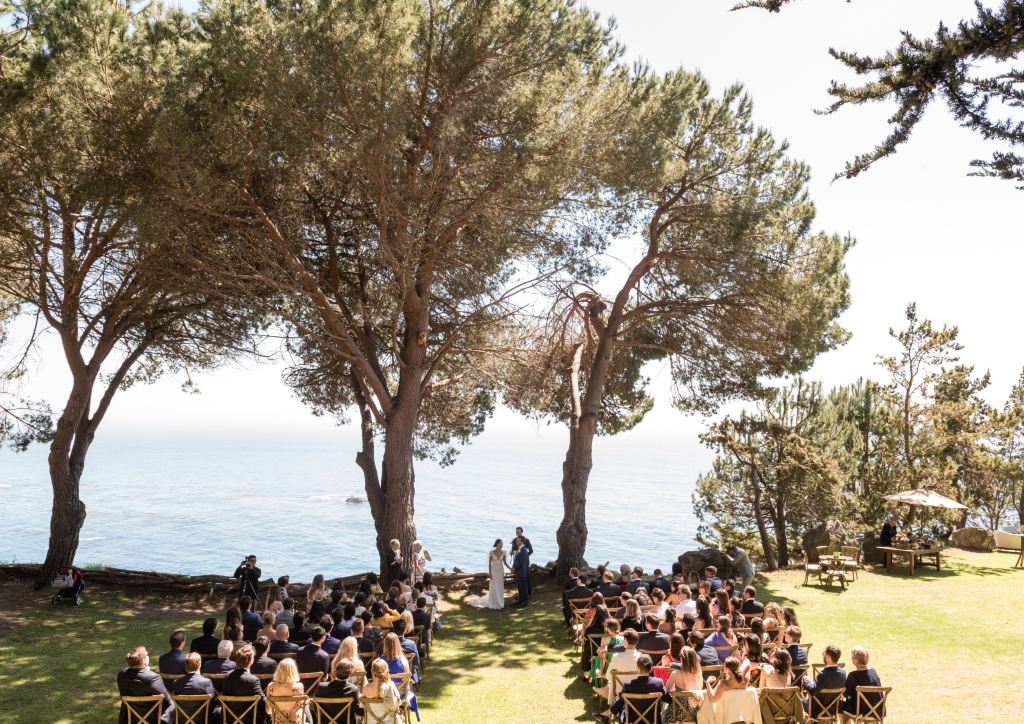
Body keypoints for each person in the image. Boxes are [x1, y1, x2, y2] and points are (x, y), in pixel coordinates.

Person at [593, 654, 666, 724]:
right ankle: (607, 714)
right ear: (651, 669)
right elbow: (668, 699)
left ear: (637, 667)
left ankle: (607, 714)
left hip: (633, 718)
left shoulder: (629, 685)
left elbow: (620, 700)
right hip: (653, 719)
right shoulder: (658, 683)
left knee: (622, 702)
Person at [117, 646, 175, 724]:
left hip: (130, 719)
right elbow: (167, 701)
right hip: (152, 720)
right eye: (147, 654)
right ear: (144, 660)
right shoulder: (152, 677)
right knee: (172, 705)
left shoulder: (122, 675)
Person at [595, 629, 642, 702]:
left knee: (611, 682)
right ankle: (605, 690)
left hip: (619, 690)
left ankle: (606, 691)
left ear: (625, 640)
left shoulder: (616, 657)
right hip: (637, 689)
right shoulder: (642, 658)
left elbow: (608, 676)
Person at [172, 653, 220, 724]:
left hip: (182, 721)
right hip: (203, 721)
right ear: (199, 665)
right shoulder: (206, 682)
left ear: (186, 666)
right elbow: (211, 706)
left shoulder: (177, 683)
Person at [468, 539, 513, 609]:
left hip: (500, 571)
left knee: (500, 586)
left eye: (502, 543)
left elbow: (505, 563)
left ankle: (499, 602)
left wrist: (510, 568)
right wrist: (490, 573)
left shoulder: (504, 552)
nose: (502, 545)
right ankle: (493, 602)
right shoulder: (491, 552)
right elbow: (489, 564)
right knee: (494, 586)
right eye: (501, 543)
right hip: (494, 571)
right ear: (497, 544)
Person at [802, 644, 846, 717]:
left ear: (828, 657)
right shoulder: (843, 673)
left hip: (817, 710)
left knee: (797, 702)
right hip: (833, 710)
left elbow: (813, 691)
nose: (823, 655)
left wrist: (805, 679)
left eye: (824, 653)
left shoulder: (823, 675)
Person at [317, 657, 364, 724]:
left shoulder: (322, 687)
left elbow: (316, 708)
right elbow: (359, 712)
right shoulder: (353, 689)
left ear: (336, 670)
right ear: (350, 673)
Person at [664, 647, 704, 723]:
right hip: (695, 712)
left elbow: (667, 689)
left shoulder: (675, 674)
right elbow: (700, 690)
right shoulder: (699, 674)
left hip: (677, 713)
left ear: (682, 659)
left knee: (665, 706)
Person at [842, 646, 883, 718]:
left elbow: (843, 695)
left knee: (839, 705)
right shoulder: (873, 671)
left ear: (855, 660)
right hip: (876, 710)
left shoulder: (853, 675)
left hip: (859, 712)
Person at [361, 658, 403, 724]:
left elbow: (364, 708)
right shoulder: (390, 687)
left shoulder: (365, 688)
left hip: (371, 722)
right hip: (390, 722)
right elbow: (397, 704)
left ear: (372, 671)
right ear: (386, 671)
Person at [262, 657, 302, 724]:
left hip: (278, 721)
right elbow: (299, 705)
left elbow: (268, 711)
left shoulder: (271, 686)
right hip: (295, 721)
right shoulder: (298, 686)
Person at [588, 618, 623, 685]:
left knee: (600, 654)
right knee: (600, 653)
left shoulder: (605, 639)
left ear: (608, 629)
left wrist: (601, 670)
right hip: (619, 665)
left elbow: (603, 657)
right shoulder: (623, 639)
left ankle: (590, 673)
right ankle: (589, 673)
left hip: (608, 666)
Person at [296, 626, 331, 690]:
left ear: (311, 635)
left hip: (301, 687)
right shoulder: (324, 655)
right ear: (323, 638)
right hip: (316, 689)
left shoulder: (300, 651)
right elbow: (324, 677)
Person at [512, 535, 531, 606]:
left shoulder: (524, 550)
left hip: (522, 571)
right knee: (519, 586)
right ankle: (521, 599)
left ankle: (525, 601)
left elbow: (521, 562)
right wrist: (513, 567)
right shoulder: (519, 549)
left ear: (522, 542)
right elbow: (516, 559)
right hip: (518, 571)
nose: (516, 541)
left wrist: (515, 568)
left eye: (518, 541)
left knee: (523, 586)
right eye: (516, 540)